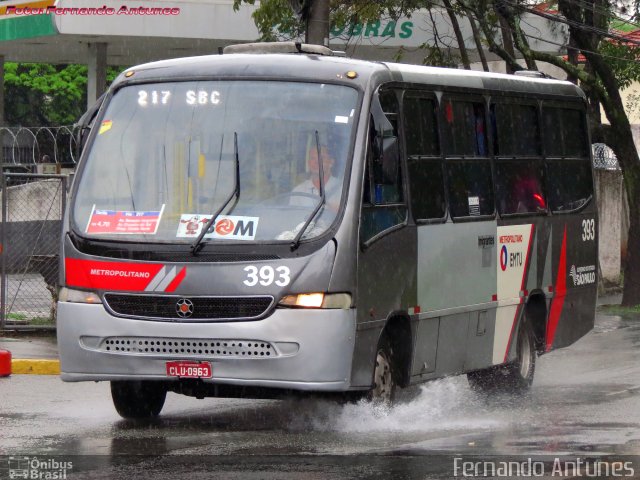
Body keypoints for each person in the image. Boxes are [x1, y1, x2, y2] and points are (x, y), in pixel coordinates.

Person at [290, 145, 341, 211]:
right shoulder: (298, 191)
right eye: (312, 158)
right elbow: (293, 218)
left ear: (331, 162)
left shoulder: (342, 189)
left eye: (321, 158)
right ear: (308, 163)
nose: (316, 162)